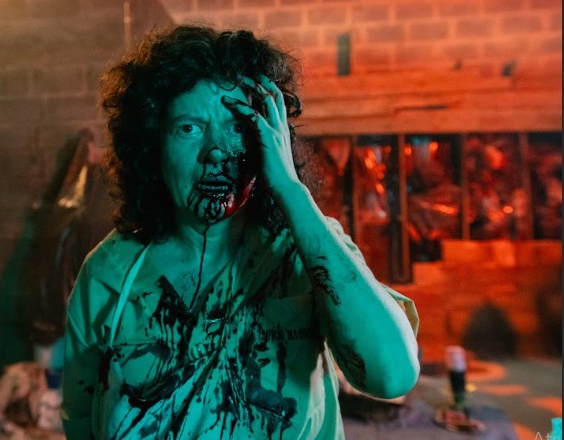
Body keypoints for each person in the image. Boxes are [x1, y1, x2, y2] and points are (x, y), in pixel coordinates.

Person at [61, 24, 420, 439]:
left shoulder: (306, 249)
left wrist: (290, 190)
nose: (216, 150)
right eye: (189, 128)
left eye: (237, 126)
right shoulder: (109, 275)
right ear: (152, 146)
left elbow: (392, 375)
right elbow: (81, 420)